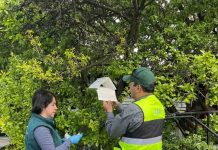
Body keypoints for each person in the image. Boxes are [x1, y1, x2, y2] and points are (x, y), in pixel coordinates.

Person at [103, 67, 165, 150]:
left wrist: (109, 111)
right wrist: (118, 105)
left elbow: (112, 132)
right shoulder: (158, 105)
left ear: (138, 87)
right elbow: (136, 118)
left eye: (131, 83)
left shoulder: (134, 109)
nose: (129, 86)